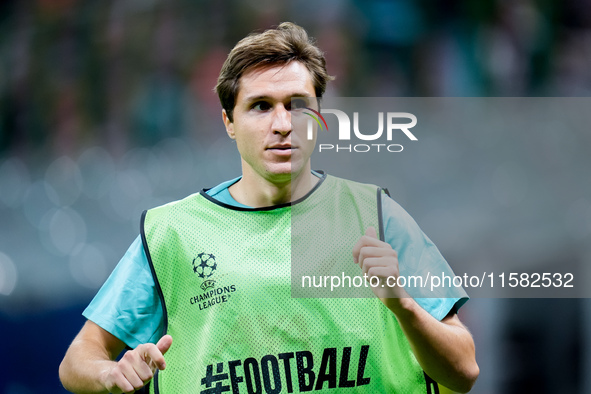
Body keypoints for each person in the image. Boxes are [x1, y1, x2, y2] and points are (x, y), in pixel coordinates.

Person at [59, 22, 479, 394]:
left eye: (298, 104)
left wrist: (403, 304)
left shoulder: (377, 216)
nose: (282, 124)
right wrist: (112, 374)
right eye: (261, 106)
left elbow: (464, 371)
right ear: (228, 121)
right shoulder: (173, 233)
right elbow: (78, 360)